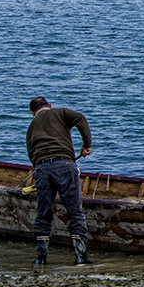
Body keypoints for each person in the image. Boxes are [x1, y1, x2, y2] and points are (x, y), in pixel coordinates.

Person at [26, 96, 93, 266]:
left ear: (33, 112)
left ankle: (41, 258)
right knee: (75, 212)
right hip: (64, 164)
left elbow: (31, 153)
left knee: (43, 214)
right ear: (49, 105)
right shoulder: (61, 112)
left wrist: (42, 168)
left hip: (42, 169)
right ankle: (80, 257)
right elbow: (80, 119)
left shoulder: (32, 126)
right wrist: (86, 145)